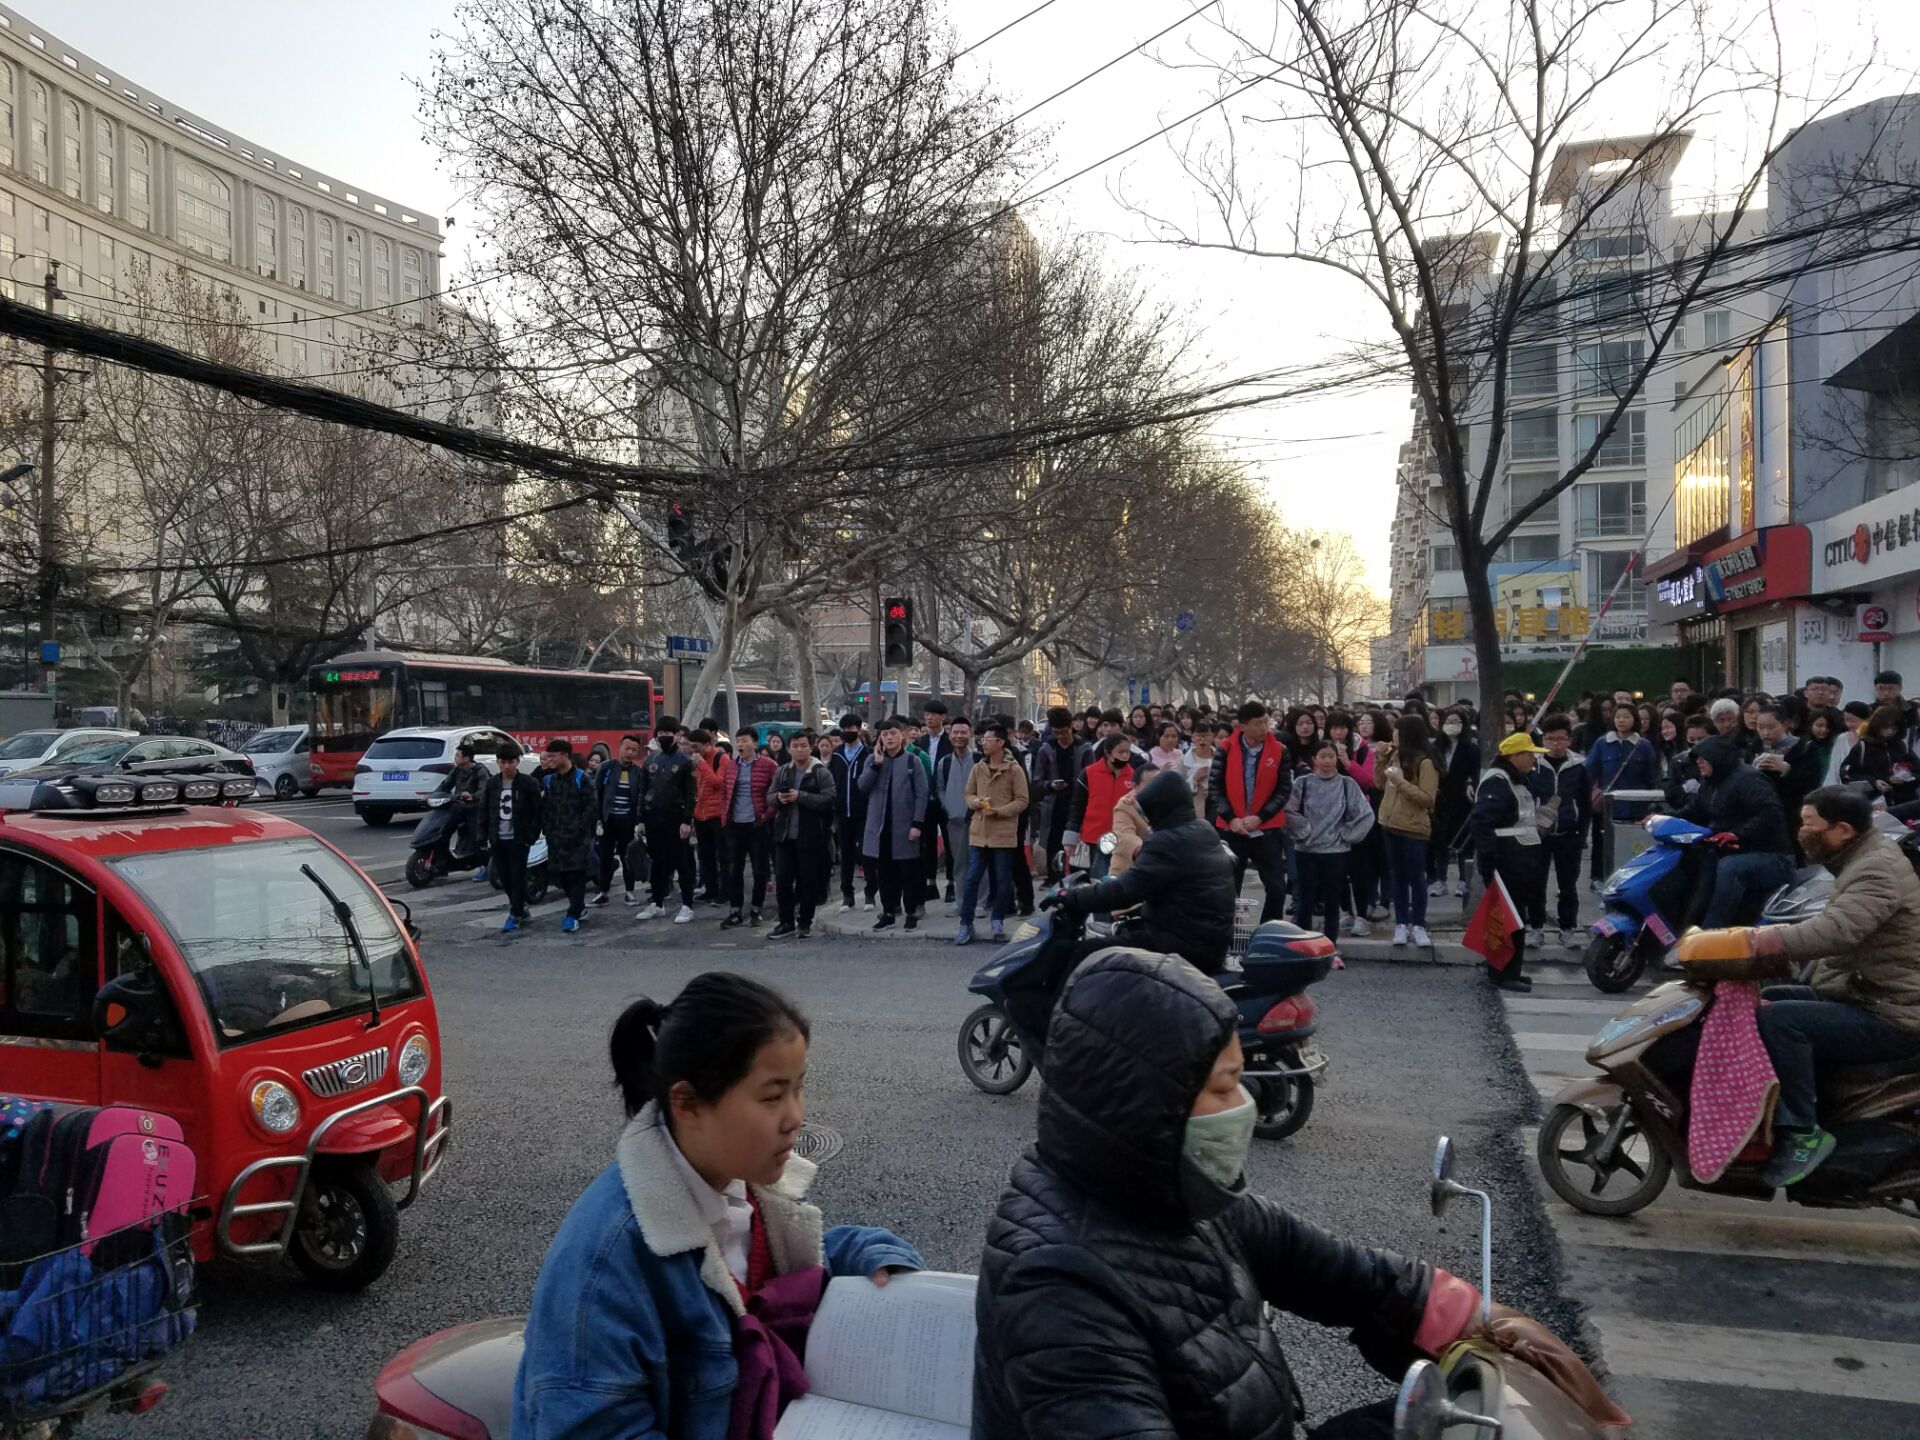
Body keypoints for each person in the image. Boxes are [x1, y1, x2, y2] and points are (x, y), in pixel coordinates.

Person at [970, 947, 1582, 1440]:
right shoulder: (1056, 1288)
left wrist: (1477, 1320)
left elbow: (1352, 1276)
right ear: (1146, 1106)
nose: (1246, 1105)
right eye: (1225, 1087)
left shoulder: (1180, 1199)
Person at [513, 973, 922, 1438]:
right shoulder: (604, 1264)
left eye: (799, 1088)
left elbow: (790, 1266)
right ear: (687, 1104)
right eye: (772, 1096)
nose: (795, 1116)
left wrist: (873, 1256)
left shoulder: (747, 1185)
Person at [1746, 786, 1920, 1185]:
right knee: (1769, 998)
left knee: (1781, 1021)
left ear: (1842, 830)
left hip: (1892, 1012)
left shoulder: (1874, 869)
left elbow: (1838, 930)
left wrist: (1770, 939)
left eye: (1810, 825)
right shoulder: (1859, 857)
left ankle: (1802, 1131)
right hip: (1866, 992)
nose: (1802, 832)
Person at [1050, 770, 1237, 975]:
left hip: (1182, 945)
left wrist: (1069, 896)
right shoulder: (1202, 829)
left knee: (1087, 952)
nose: (1148, 820)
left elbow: (1123, 892)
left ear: (1160, 808)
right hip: (1205, 940)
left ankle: (1065, 996)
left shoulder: (1167, 842)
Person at [1683, 734, 1796, 929]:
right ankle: (1689, 923)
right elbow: (1696, 809)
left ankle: (1714, 930)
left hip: (1772, 854)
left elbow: (1770, 814)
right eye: (1697, 759)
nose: (1699, 762)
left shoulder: (1748, 779)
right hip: (1731, 849)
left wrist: (1738, 834)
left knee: (1730, 867)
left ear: (1717, 757)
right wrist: (1662, 818)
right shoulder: (1711, 782)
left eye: (1703, 758)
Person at [1469, 732, 1552, 992]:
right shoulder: (1498, 781)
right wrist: (1490, 860)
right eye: (1530, 755)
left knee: (1515, 916)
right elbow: (1482, 822)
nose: (1534, 760)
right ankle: (1502, 974)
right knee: (1506, 917)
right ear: (1515, 756)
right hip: (1505, 858)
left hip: (1519, 858)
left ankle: (1511, 970)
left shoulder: (1517, 778)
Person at [1283, 740, 1376, 943]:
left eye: (1331, 756)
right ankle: (1306, 946)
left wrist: (1347, 835)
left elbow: (1365, 814)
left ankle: (1330, 945)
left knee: (1332, 902)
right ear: (1314, 759)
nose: (1327, 761)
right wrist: (1304, 830)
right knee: (1305, 902)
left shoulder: (1347, 784)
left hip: (1336, 852)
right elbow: (1288, 812)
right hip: (1306, 851)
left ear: (1337, 759)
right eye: (1322, 756)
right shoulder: (1302, 783)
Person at [1208, 701, 1291, 921]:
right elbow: (1215, 788)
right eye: (1257, 723)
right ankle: (1230, 932)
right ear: (1243, 726)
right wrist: (1231, 818)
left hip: (1266, 829)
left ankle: (1268, 930)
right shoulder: (1225, 749)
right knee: (1228, 888)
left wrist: (1260, 817)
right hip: (1232, 828)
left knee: (1276, 888)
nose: (1264, 728)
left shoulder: (1280, 750)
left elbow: (1284, 790)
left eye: (1265, 722)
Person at [955, 722, 1030, 946]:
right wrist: (975, 802)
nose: (983, 743)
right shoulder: (978, 768)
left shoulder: (1014, 769)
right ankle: (966, 923)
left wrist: (999, 811)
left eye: (988, 740)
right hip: (979, 833)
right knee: (971, 879)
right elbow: (968, 794)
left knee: (1003, 880)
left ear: (1000, 742)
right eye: (982, 740)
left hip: (1003, 833)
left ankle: (997, 920)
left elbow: (1022, 800)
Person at [857, 717, 928, 931]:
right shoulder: (872, 760)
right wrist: (877, 765)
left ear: (902, 735)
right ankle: (888, 913)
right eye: (884, 734)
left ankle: (911, 913)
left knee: (908, 873)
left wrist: (917, 824)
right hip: (879, 829)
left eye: (893, 733)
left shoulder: (912, 760)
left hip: (905, 827)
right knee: (884, 874)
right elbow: (862, 786)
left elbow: (922, 794)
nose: (889, 738)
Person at [768, 731, 836, 939]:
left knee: (807, 880)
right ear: (789, 749)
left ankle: (805, 922)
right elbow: (769, 797)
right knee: (782, 880)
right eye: (795, 746)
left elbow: (829, 799)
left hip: (810, 835)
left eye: (803, 745)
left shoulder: (819, 772)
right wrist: (779, 799)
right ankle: (786, 922)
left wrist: (801, 796)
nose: (799, 749)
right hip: (784, 835)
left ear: (810, 747)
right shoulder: (782, 771)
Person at [1533, 715, 1591, 950]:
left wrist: (1581, 833)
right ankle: (1535, 927)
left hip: (1569, 834)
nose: (1555, 744)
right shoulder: (1535, 764)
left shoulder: (1579, 766)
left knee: (1568, 885)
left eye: (1560, 739)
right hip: (1538, 835)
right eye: (1550, 739)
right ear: (1543, 740)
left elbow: (1585, 803)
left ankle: (1567, 929)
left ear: (1569, 740)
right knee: (1536, 883)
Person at [1585, 703, 1659, 885]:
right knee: (1602, 843)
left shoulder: (1643, 746)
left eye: (1626, 716)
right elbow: (1590, 771)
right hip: (1607, 805)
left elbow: (1651, 776)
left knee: (1633, 844)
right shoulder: (1602, 743)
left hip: (1635, 806)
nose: (1621, 720)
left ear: (1634, 719)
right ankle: (1599, 879)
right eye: (1618, 717)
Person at [637, 716, 698, 924]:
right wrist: (640, 819)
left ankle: (687, 905)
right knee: (657, 863)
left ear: (677, 735)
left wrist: (686, 820)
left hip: (676, 819)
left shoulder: (686, 762)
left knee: (682, 863)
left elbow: (691, 794)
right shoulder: (650, 761)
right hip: (653, 818)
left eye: (668, 733)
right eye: (660, 733)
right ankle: (657, 903)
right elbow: (642, 791)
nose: (663, 736)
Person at [539, 739, 599, 933]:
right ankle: (579, 908)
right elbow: (546, 809)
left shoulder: (582, 779)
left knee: (576, 877)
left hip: (577, 840)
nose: (550, 760)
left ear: (565, 756)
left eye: (553, 756)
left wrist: (580, 831)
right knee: (561, 877)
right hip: (556, 839)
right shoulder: (550, 780)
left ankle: (572, 914)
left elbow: (591, 807)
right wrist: (548, 830)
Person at [720, 728, 778, 929]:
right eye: (737, 741)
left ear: (754, 743)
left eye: (744, 740)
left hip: (757, 825)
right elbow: (725, 793)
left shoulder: (768, 765)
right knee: (734, 869)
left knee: (759, 869)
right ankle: (735, 910)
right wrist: (724, 817)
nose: (740, 744)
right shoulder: (731, 766)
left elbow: (776, 793)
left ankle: (756, 909)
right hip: (734, 824)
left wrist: (766, 815)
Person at [482, 742, 543, 933]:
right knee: (504, 877)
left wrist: (531, 836)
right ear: (498, 762)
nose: (507, 766)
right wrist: (482, 835)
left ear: (518, 761)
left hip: (519, 839)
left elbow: (537, 812)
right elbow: (484, 810)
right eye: (503, 762)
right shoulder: (492, 784)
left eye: (511, 762)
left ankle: (515, 913)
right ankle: (520, 908)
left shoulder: (528, 783)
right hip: (498, 839)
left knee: (518, 877)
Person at [1065, 733, 1136, 883]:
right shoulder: (1089, 773)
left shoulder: (1134, 776)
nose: (1125, 756)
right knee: (1094, 883)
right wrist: (1070, 838)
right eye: (1120, 752)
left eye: (1127, 752)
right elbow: (1077, 807)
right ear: (1108, 753)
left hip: (1122, 841)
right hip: (1093, 840)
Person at [1029, 705, 1090, 882]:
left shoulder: (1084, 749)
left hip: (1078, 806)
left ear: (1071, 727)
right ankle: (1055, 883)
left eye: (1063, 732)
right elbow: (1037, 782)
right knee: (1054, 852)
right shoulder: (1046, 749)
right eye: (1056, 732)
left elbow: (1091, 778)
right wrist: (1050, 785)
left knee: (1079, 852)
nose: (1060, 736)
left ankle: (1079, 884)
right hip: (1054, 807)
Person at [1429, 708, 1479, 899]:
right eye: (1448, 722)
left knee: (1464, 841)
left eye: (1456, 722)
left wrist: (1471, 783)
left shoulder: (1471, 748)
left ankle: (1463, 880)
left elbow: (1475, 770)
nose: (1452, 725)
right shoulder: (1435, 748)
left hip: (1463, 799)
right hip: (1441, 800)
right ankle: (1440, 880)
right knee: (1440, 841)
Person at [1752, 702, 1821, 838]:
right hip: (1761, 810)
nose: (1765, 732)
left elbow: (1812, 782)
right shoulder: (1755, 746)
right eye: (1760, 727)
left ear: (1785, 724)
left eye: (1771, 727)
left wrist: (1787, 769)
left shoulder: (1805, 747)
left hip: (1792, 813)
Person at [829, 715, 876, 913]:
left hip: (863, 811)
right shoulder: (837, 754)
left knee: (865, 853)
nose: (847, 732)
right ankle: (847, 895)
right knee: (846, 854)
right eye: (844, 728)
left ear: (858, 729)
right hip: (842, 812)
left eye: (851, 728)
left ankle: (870, 893)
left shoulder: (868, 753)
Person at [594, 734, 647, 906]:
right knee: (605, 858)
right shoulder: (606, 768)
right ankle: (603, 892)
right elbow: (597, 795)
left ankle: (629, 892)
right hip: (608, 820)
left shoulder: (638, 772)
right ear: (619, 748)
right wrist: (598, 819)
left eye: (634, 750)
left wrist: (639, 821)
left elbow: (641, 797)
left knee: (627, 857)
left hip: (628, 821)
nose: (630, 753)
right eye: (627, 748)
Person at [935, 716, 978, 910]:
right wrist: (949, 807)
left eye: (963, 732)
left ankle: (981, 902)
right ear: (950, 735)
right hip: (954, 821)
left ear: (970, 734)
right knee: (958, 862)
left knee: (979, 861)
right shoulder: (944, 763)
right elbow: (940, 788)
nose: (959, 736)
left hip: (978, 819)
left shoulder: (978, 759)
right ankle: (961, 901)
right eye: (955, 732)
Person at [1840, 704, 1920, 806]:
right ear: (1877, 726)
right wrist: (1874, 782)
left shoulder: (1902, 746)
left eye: (1894, 728)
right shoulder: (1863, 747)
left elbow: (1917, 770)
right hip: (1873, 802)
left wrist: (1906, 778)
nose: (1890, 732)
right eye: (1886, 728)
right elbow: (1847, 774)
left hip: (1904, 801)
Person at [916, 702, 954, 902]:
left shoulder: (951, 741)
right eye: (926, 714)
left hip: (946, 798)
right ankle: (930, 882)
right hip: (926, 800)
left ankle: (951, 882)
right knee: (927, 842)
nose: (929, 718)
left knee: (950, 841)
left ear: (942, 717)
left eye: (933, 714)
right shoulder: (920, 742)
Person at [689, 730, 729, 906]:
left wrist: (702, 765)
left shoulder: (721, 758)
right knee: (705, 855)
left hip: (717, 814)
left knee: (723, 855)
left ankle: (725, 892)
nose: (694, 751)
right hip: (700, 814)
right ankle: (711, 889)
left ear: (707, 744)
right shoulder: (695, 760)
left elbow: (718, 783)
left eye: (696, 747)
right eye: (691, 747)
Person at [433, 740, 488, 868]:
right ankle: (443, 862)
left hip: (475, 808)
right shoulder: (457, 770)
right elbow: (445, 785)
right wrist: (433, 796)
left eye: (458, 755)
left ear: (466, 758)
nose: (455, 758)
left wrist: (472, 796)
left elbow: (484, 791)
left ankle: (483, 865)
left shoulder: (480, 771)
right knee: (442, 831)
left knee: (476, 836)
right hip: (458, 807)